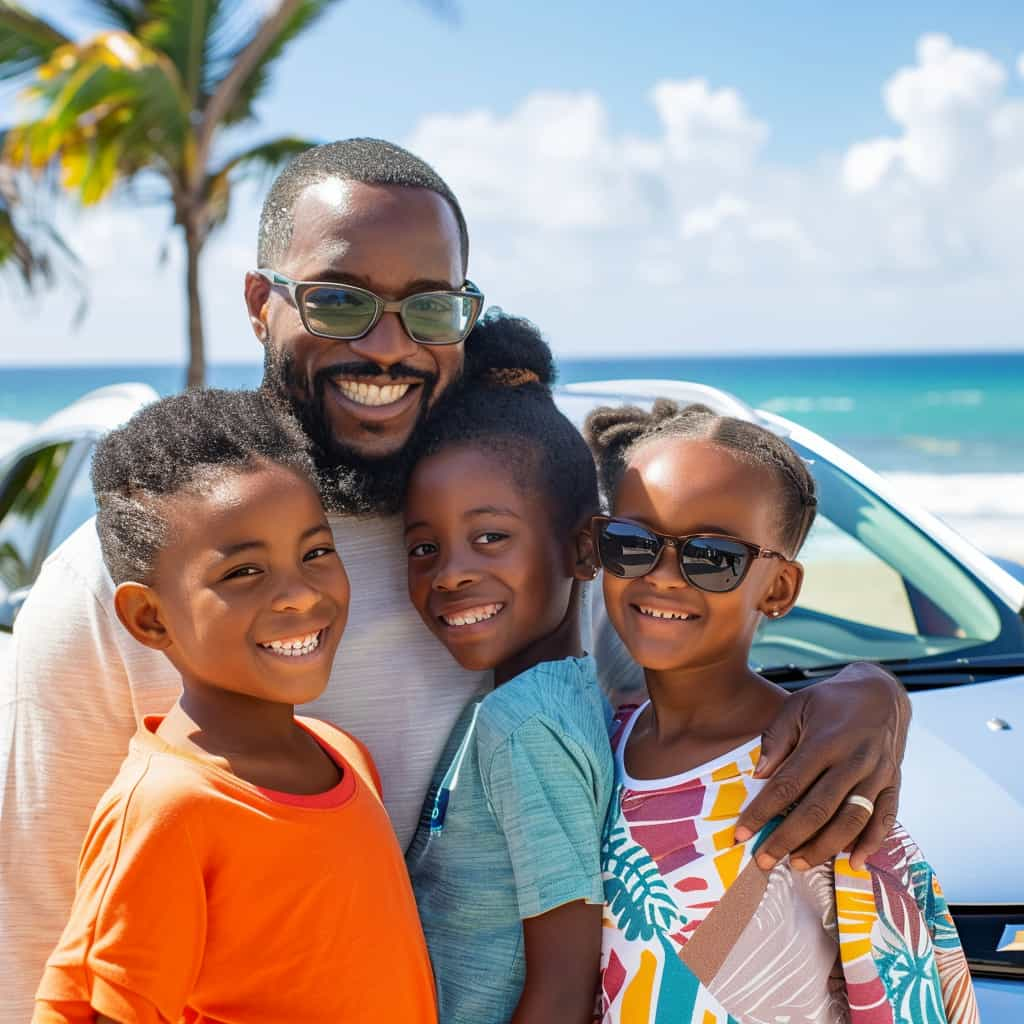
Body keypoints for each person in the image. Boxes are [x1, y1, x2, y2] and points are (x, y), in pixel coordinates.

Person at [2, 138, 910, 1021]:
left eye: (429, 307)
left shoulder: (543, 548)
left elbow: (676, 728)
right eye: (339, 301)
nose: (389, 346)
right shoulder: (121, 582)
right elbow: (40, 932)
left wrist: (868, 691)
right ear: (258, 303)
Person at [32, 388, 437, 1023]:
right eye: (244, 573)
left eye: (316, 553)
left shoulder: (346, 757)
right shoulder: (168, 811)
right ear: (149, 617)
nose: (299, 595)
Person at [585, 400, 978, 1024]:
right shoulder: (596, 749)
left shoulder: (826, 782)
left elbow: (905, 1000)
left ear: (778, 589)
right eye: (632, 543)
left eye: (711, 558)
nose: (662, 575)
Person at [403, 319, 610, 1023]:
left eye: (490, 537)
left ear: (584, 549)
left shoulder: (525, 725)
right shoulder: (536, 700)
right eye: (423, 547)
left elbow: (563, 986)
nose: (451, 574)